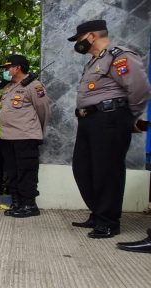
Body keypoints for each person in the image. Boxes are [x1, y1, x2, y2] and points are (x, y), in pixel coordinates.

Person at [67, 20, 151, 238]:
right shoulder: (94, 61)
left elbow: (140, 89)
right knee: (83, 168)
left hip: (110, 118)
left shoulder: (119, 56)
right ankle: (98, 212)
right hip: (89, 121)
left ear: (92, 36)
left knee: (107, 170)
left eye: (79, 38)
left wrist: (127, 116)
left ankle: (108, 221)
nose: (77, 43)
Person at [0, 55, 50, 218]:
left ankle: (29, 205)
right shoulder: (9, 87)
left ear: (18, 68)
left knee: (26, 171)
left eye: (8, 68)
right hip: (8, 138)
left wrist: (35, 131)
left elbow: (43, 111)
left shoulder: (34, 86)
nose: (6, 71)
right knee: (12, 172)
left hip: (26, 137)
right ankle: (17, 203)